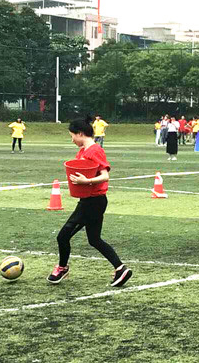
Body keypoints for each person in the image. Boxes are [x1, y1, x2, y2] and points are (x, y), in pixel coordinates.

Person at [47, 115, 132, 287]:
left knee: (63, 236)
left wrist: (87, 182)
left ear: (80, 133)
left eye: (72, 136)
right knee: (94, 239)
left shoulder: (95, 150)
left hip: (93, 202)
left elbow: (105, 176)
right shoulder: (82, 152)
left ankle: (62, 268)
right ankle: (120, 268)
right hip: (89, 201)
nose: (72, 140)